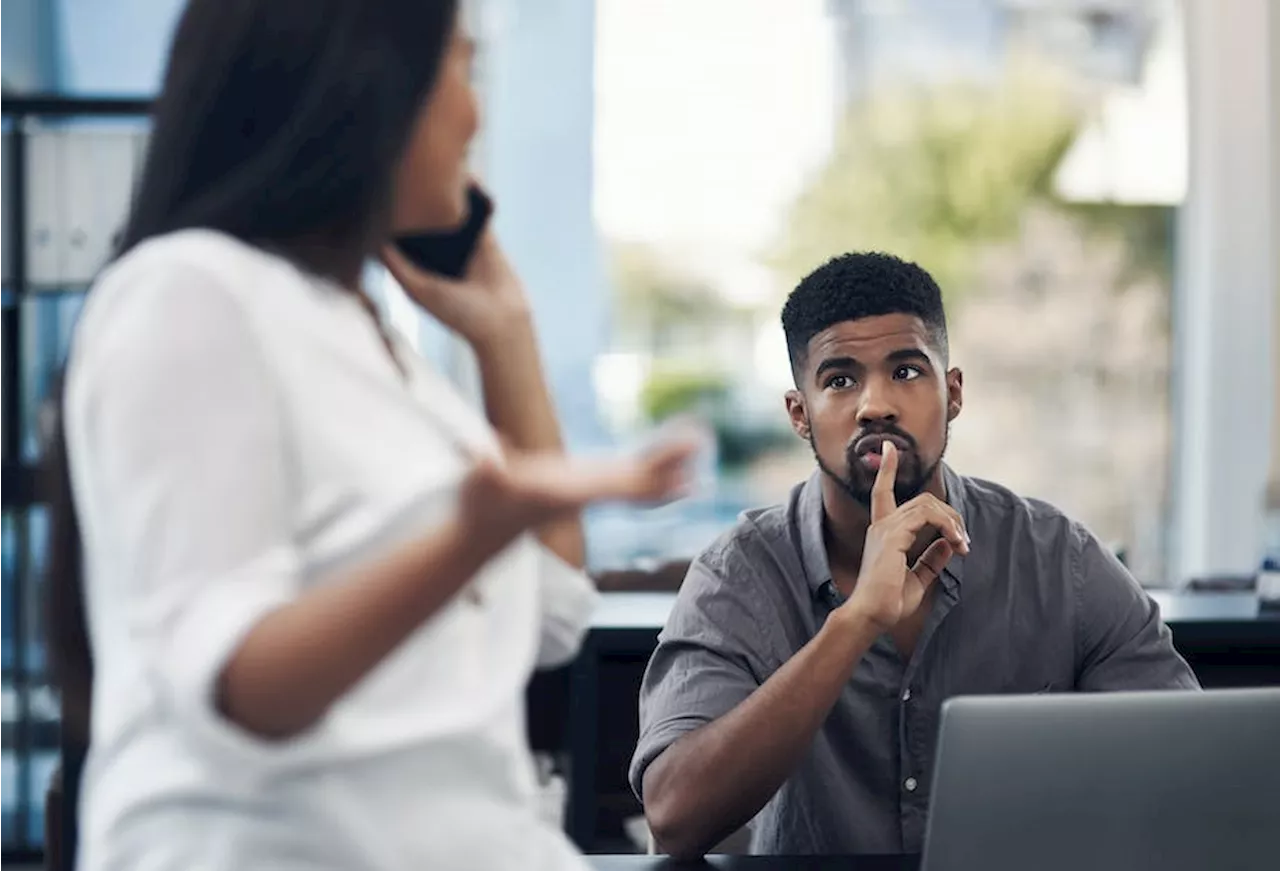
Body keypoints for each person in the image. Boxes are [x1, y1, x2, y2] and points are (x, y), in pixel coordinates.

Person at [43, 2, 697, 869]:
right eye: (461, 70)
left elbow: (551, 606)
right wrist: (470, 534)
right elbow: (238, 682)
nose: (477, 112)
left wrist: (507, 338)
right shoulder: (191, 292)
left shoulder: (370, 339)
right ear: (362, 87)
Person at [629, 252, 1199, 859]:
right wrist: (854, 623)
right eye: (840, 380)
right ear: (800, 414)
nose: (876, 405)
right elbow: (674, 816)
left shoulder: (1061, 560)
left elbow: (1191, 772)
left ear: (952, 394)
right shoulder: (738, 574)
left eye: (906, 371)